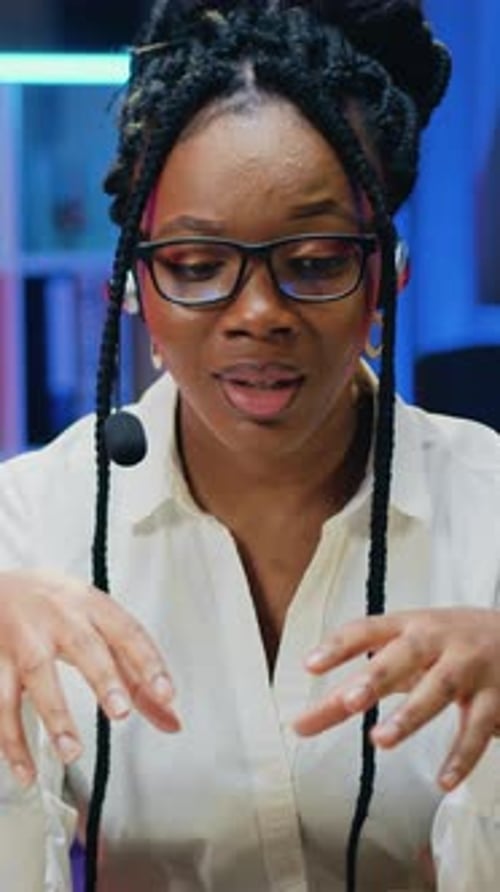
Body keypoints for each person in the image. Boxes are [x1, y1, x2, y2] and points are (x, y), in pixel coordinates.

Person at [0, 1, 499, 890]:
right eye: (196, 266)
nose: (258, 313)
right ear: (133, 287)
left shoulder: (488, 505)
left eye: (312, 260)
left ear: (388, 274)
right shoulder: (34, 523)